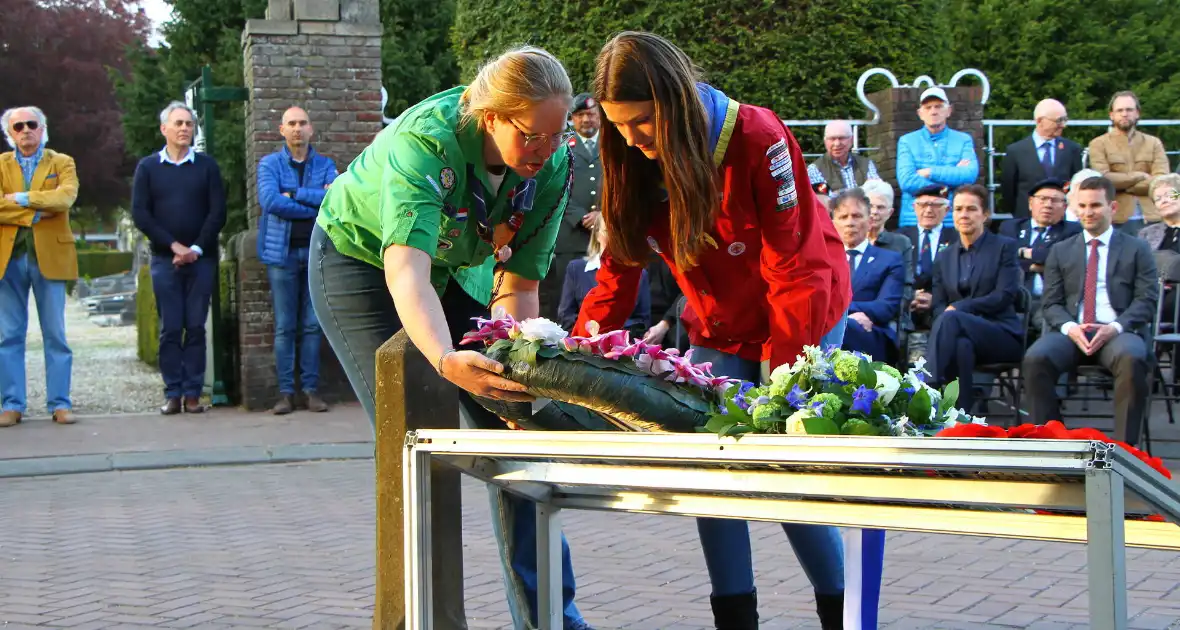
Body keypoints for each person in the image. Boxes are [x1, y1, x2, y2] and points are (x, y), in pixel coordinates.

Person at [572, 32, 854, 629]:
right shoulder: (628, 153)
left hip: (801, 311)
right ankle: (735, 617)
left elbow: (792, 265)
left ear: (674, 103)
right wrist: (574, 357)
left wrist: (780, 384)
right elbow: (618, 269)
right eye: (617, 125)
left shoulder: (757, 136)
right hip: (719, 322)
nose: (630, 139)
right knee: (708, 464)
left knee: (786, 466)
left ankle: (844, 612)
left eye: (642, 122)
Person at [307, 46, 594, 630]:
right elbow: (405, 271)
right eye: (532, 135)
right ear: (491, 116)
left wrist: (518, 372)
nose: (546, 150)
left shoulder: (553, 164)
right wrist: (442, 358)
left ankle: (551, 621)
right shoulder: (426, 141)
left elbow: (519, 286)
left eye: (558, 133)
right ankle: (424, 619)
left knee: (520, 437)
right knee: (418, 442)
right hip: (361, 262)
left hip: (456, 268)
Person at [1023, 176, 1157, 445]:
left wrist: (1114, 328)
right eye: (1081, 206)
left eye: (1095, 205)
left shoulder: (1137, 248)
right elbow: (1050, 304)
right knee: (1036, 358)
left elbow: (1147, 300)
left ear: (1113, 207)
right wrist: (1070, 328)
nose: (1087, 212)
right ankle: (1051, 443)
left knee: (1132, 358)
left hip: (1118, 331)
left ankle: (1125, 452)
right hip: (1072, 331)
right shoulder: (1061, 250)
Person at [131, 102, 227, 415]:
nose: (184, 128)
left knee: (196, 327)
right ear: (164, 129)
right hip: (164, 260)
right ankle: (172, 393)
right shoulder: (148, 168)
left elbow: (217, 213)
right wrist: (173, 246)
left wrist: (195, 249)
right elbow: (141, 214)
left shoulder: (207, 167)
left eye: (189, 123)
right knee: (170, 328)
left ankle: (192, 395)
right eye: (178, 123)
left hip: (202, 260)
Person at [0, 106, 79, 427]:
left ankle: (60, 403)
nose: (25, 131)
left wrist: (17, 198)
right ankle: (11, 404)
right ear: (10, 133)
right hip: (9, 259)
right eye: (18, 126)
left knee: (55, 335)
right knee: (9, 335)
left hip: (51, 258)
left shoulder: (62, 162)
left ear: (43, 128)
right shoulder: (1, 165)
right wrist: (32, 212)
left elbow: (65, 199)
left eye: (32, 124)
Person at [256, 106, 338, 414]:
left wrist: (295, 194)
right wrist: (313, 200)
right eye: (291, 123)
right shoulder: (269, 165)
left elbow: (333, 200)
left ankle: (311, 390)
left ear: (311, 129)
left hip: (317, 254)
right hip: (282, 254)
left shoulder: (326, 165)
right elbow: (270, 201)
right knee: (285, 326)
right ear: (282, 130)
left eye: (302, 122)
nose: (297, 128)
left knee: (312, 325)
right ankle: (286, 393)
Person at [925, 184, 1023, 415]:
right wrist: (951, 313)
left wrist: (959, 308)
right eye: (958, 209)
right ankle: (962, 417)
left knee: (952, 320)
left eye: (971, 209)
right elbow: (938, 304)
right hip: (959, 336)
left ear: (985, 214)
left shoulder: (1004, 247)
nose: (964, 215)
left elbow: (1003, 296)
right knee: (961, 345)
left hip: (1000, 334)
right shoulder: (944, 256)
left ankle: (928, 386)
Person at [541, 93, 602, 320]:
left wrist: (603, 215)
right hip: (571, 236)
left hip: (606, 237)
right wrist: (580, 216)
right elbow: (554, 188)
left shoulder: (613, 147)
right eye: (580, 115)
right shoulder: (561, 148)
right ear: (572, 119)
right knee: (566, 302)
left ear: (599, 116)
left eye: (591, 114)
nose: (586, 119)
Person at [998, 178, 1082, 337]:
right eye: (1042, 199)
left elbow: (1064, 262)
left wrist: (1024, 254)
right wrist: (1040, 264)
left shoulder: (1073, 231)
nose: (1048, 205)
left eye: (1055, 200)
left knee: (1048, 324)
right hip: (1012, 299)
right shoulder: (1011, 227)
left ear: (1064, 207)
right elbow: (1002, 259)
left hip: (1050, 302)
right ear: (1031, 203)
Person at [832, 189, 905, 362]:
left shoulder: (890, 260)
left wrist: (843, 313)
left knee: (845, 328)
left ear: (870, 221)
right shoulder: (824, 261)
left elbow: (886, 307)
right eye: (843, 217)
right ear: (833, 223)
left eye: (857, 216)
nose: (850, 223)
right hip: (831, 330)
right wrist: (848, 315)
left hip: (872, 332)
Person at [1088, 91, 1170, 235]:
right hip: (1117, 219)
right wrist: (1139, 176)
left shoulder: (1153, 143)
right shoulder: (1098, 144)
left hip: (1153, 216)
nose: (1124, 114)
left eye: (1129, 110)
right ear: (1111, 115)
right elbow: (1104, 180)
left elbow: (1162, 181)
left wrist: (1125, 186)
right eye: (1119, 110)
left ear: (1137, 113)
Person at [896, 87, 979, 227]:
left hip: (952, 219)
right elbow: (907, 180)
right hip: (914, 219)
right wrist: (945, 186)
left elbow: (969, 175)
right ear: (920, 113)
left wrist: (929, 172)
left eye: (939, 106)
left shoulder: (963, 140)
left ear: (949, 111)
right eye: (928, 107)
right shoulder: (907, 141)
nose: (933, 111)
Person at [557, 215, 649, 334]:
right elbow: (566, 316)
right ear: (597, 234)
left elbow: (643, 320)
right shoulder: (576, 269)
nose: (615, 239)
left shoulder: (639, 273)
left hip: (622, 344)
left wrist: (613, 334)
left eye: (619, 233)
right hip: (582, 344)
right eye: (609, 232)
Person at [998, 99, 1084, 219]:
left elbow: (1076, 186)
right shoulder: (1016, 151)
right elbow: (1008, 191)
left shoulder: (1072, 149)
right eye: (1058, 121)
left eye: (1064, 119)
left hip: (1063, 222)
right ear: (1040, 121)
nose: (1064, 125)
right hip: (1026, 219)